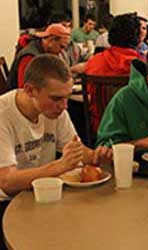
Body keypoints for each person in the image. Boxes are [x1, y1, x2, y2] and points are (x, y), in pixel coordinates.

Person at [0, 54, 112, 248]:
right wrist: (60, 166)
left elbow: (77, 151)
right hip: (7, 205)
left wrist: (96, 156)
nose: (64, 106)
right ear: (30, 90)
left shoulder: (56, 110)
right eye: (56, 98)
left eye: (67, 97)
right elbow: (7, 183)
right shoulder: (4, 114)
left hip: (45, 196)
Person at [85, 13, 144, 134]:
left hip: (101, 127)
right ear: (138, 37)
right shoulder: (142, 66)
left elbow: (90, 93)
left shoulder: (95, 61)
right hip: (135, 129)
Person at [7, 23, 71, 89]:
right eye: (61, 46)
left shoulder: (43, 51)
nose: (61, 51)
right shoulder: (29, 56)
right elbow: (24, 87)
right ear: (51, 40)